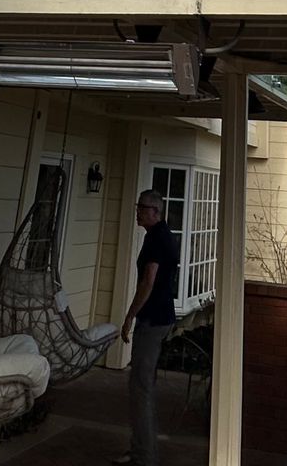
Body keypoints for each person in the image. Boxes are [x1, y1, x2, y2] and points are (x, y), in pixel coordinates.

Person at [115, 187, 179, 466]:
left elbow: (148, 281)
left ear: (155, 211)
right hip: (160, 318)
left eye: (142, 208)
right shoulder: (161, 235)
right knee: (143, 384)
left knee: (140, 387)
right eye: (137, 207)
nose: (137, 212)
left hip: (152, 320)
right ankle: (140, 449)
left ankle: (144, 456)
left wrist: (130, 315)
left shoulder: (157, 239)